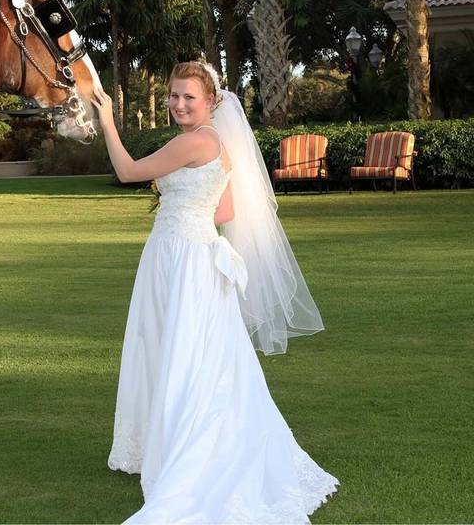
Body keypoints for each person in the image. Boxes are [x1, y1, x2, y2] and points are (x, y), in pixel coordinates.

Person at [91, 62, 339, 524]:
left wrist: (107, 117)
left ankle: (185, 448)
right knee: (202, 354)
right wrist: (189, 207)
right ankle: (193, 436)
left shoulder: (193, 141)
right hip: (197, 254)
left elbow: (126, 171)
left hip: (179, 256)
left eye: (188, 97)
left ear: (210, 102)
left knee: (174, 349)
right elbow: (224, 208)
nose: (179, 104)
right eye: (173, 95)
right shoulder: (220, 147)